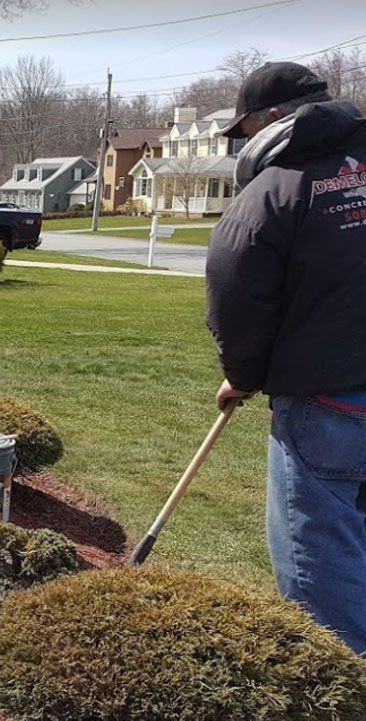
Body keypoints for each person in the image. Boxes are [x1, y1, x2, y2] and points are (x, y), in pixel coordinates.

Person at [206, 62, 366, 653]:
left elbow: (235, 288)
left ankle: (345, 708)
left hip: (330, 404)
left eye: (244, 130)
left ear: (273, 118)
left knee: (322, 571)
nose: (244, 144)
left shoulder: (276, 189)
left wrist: (242, 375)